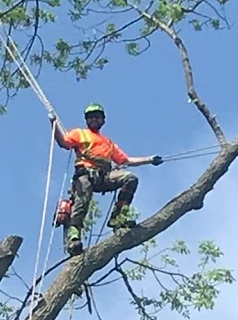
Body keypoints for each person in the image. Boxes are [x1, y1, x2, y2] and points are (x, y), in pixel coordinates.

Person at [51, 104, 163, 255]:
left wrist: (150, 159)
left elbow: (125, 161)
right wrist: (54, 124)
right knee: (82, 200)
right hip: (85, 175)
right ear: (86, 120)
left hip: (104, 177)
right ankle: (73, 237)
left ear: (103, 120)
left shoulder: (108, 143)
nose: (94, 119)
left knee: (130, 178)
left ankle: (118, 218)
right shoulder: (80, 134)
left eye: (97, 116)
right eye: (91, 117)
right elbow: (63, 143)